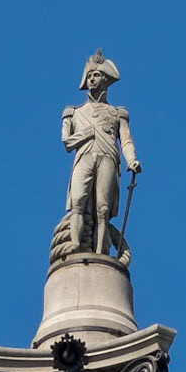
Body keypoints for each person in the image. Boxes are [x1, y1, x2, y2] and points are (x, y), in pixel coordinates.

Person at [61, 52, 141, 259]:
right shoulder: (74, 112)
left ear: (105, 79)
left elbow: (126, 140)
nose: (92, 80)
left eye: (96, 75)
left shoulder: (117, 113)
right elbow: (67, 142)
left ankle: (100, 253)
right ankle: (76, 245)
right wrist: (87, 134)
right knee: (78, 201)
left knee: (102, 210)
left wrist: (131, 160)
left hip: (107, 157)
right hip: (84, 157)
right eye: (89, 76)